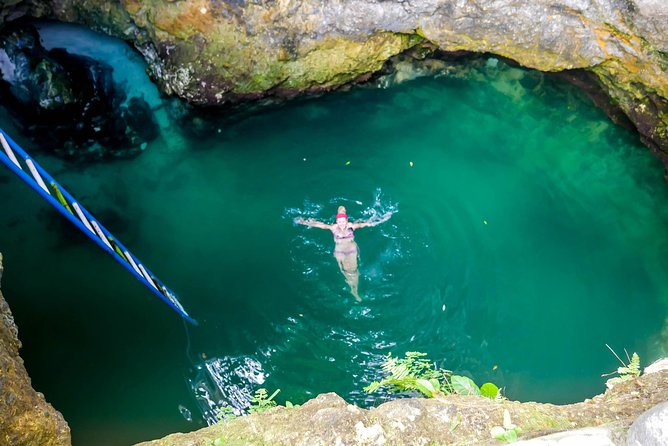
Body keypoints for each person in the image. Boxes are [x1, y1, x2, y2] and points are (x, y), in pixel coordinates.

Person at [295, 206, 391, 301]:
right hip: (339, 252)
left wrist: (382, 219)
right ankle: (353, 290)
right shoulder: (333, 228)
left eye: (343, 221)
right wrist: (303, 221)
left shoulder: (351, 226)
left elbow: (365, 224)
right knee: (345, 271)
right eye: (339, 222)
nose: (341, 224)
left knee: (353, 271)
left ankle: (355, 290)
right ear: (337, 221)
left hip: (352, 251)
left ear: (346, 220)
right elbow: (320, 225)